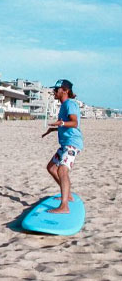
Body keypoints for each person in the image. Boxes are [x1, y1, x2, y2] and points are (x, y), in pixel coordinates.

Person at [41, 79, 84, 214]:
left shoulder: (69, 104)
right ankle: (68, 195)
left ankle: (64, 206)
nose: (54, 91)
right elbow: (64, 124)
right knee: (51, 168)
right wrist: (53, 130)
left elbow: (74, 123)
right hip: (65, 143)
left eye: (57, 89)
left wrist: (61, 124)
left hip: (72, 144)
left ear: (65, 91)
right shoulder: (64, 105)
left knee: (62, 171)